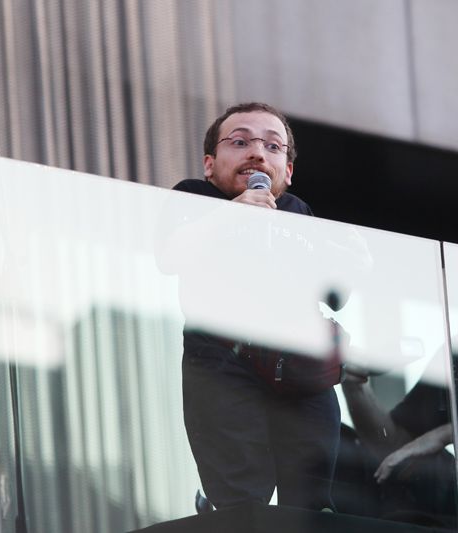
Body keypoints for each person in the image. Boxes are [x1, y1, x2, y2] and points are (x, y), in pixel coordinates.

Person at [171, 103, 341, 512]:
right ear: (210, 165)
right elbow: (169, 254)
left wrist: (351, 263)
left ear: (287, 171)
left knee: (312, 505)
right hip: (222, 360)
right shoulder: (195, 196)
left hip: (301, 369)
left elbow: (334, 295)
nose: (257, 153)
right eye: (241, 141)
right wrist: (233, 214)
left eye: (272, 146)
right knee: (241, 500)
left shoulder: (298, 212)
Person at [336, 358, 456, 526]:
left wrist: (444, 434)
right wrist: (355, 385)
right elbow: (397, 451)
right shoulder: (453, 353)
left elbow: (430, 441)